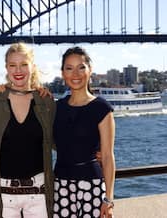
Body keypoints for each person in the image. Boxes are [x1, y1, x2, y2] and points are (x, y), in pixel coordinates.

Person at [0, 42, 56, 218]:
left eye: (24, 64)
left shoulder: (45, 102)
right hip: (3, 195)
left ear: (32, 67)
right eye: (12, 65)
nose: (18, 70)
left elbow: (59, 141)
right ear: (6, 68)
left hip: (38, 194)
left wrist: (94, 152)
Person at [53, 46, 116, 218]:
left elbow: (108, 156)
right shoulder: (56, 108)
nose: (75, 74)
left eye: (81, 67)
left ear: (90, 70)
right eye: (69, 68)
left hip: (92, 186)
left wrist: (108, 200)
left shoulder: (102, 108)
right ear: (62, 73)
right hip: (61, 185)